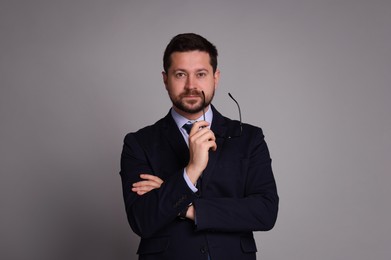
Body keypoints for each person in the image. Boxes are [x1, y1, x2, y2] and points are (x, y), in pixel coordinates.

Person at [119, 33, 278, 260]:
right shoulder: (138, 143)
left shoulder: (250, 138)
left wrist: (187, 209)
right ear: (165, 79)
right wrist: (190, 171)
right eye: (180, 74)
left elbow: (265, 212)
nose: (191, 85)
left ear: (216, 77)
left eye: (201, 74)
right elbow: (142, 220)